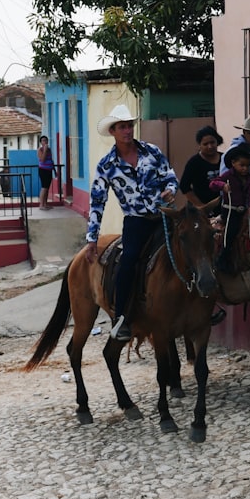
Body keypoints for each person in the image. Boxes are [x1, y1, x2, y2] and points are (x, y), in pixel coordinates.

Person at [85, 104, 178, 342]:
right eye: (122, 127)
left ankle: (203, 303)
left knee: (191, 246)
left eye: (129, 126)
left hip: (163, 216)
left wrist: (170, 189)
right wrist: (92, 239)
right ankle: (122, 318)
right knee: (128, 263)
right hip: (136, 222)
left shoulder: (152, 152)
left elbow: (170, 175)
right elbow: (97, 202)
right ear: (113, 131)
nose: (127, 130)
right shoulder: (106, 165)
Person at [209, 145, 250, 273]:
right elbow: (213, 183)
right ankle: (222, 258)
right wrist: (223, 185)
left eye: (247, 165)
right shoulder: (228, 175)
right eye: (242, 165)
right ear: (233, 163)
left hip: (243, 210)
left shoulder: (249, 178)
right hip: (230, 211)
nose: (245, 168)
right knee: (231, 232)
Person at [179, 125, 224, 208]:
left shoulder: (225, 159)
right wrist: (201, 206)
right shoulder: (194, 162)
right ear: (199, 145)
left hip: (224, 208)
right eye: (205, 144)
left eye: (212, 142)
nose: (210, 146)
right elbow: (184, 186)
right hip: (203, 212)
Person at [37, 135, 54, 210]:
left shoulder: (49, 150)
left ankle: (45, 204)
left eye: (46, 140)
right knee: (44, 187)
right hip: (43, 170)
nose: (45, 142)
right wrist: (45, 150)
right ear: (41, 142)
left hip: (49, 170)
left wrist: (55, 170)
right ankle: (41, 205)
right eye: (43, 140)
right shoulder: (40, 150)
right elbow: (43, 159)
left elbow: (51, 160)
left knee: (47, 188)